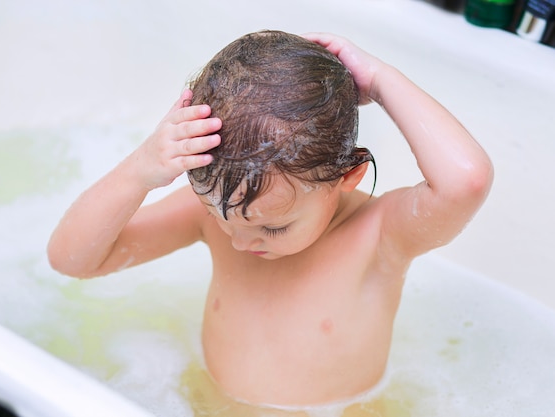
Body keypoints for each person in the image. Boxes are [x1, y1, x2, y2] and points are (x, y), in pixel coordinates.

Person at [47, 30, 493, 410]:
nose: (240, 241)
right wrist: (140, 169)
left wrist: (377, 81)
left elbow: (465, 182)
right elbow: (74, 260)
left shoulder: (379, 235)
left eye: (273, 227)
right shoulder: (216, 213)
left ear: (348, 176)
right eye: (220, 214)